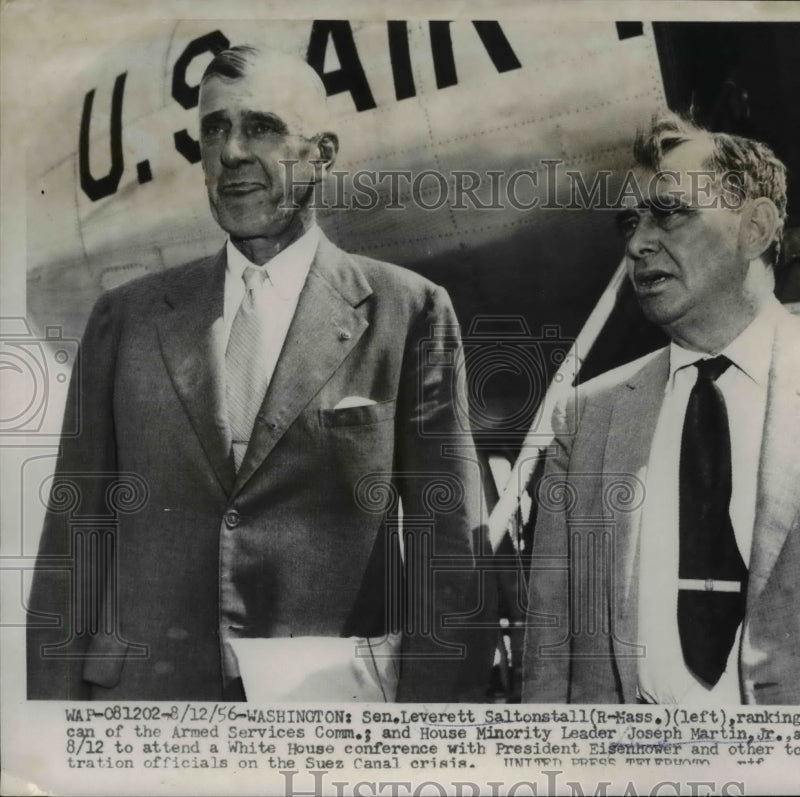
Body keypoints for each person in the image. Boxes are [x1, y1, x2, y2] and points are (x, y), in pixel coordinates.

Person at [27, 46, 492, 702]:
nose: (232, 152)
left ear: (322, 153)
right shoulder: (124, 320)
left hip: (328, 719)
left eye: (263, 128)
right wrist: (52, 739)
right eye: (213, 130)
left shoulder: (407, 311)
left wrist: (438, 737)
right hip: (150, 721)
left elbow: (451, 558)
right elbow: (70, 554)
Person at [522, 110, 800, 705]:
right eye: (629, 222)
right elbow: (551, 653)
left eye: (669, 212)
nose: (637, 244)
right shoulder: (585, 419)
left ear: (756, 227)